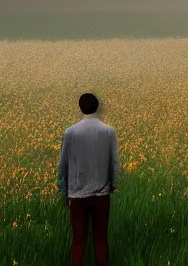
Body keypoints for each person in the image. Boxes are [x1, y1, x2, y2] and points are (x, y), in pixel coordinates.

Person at [57, 93, 120, 266]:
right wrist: (113, 184)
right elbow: (114, 162)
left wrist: (65, 192)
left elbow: (63, 165)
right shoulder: (108, 131)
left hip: (77, 196)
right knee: (100, 240)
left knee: (78, 241)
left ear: (80, 107)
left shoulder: (70, 132)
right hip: (102, 195)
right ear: (97, 106)